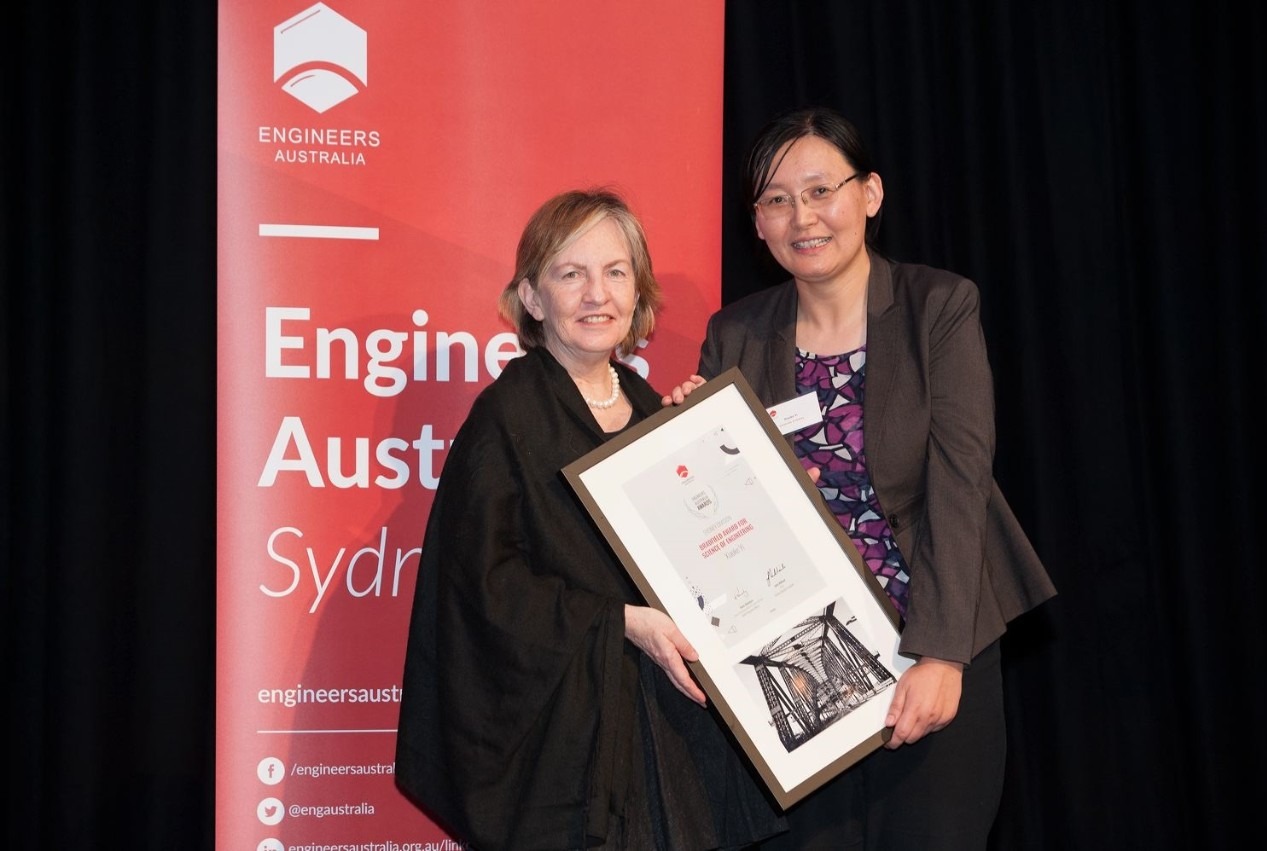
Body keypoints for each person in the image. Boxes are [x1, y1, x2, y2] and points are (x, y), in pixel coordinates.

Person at [667, 107, 1058, 849]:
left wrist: (941, 653)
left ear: (870, 194)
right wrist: (688, 433)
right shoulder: (736, 333)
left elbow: (959, 482)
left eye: (821, 191)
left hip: (934, 639)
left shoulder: (936, 306)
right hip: (801, 672)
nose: (802, 217)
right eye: (776, 199)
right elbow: (719, 513)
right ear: (756, 222)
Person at [395, 189, 787, 850]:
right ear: (532, 297)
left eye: (615, 271)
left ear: (638, 293)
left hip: (663, 735)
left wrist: (723, 447)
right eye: (569, 273)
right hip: (565, 752)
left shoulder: (648, 408)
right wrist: (622, 622)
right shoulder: (506, 418)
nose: (595, 293)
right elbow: (483, 588)